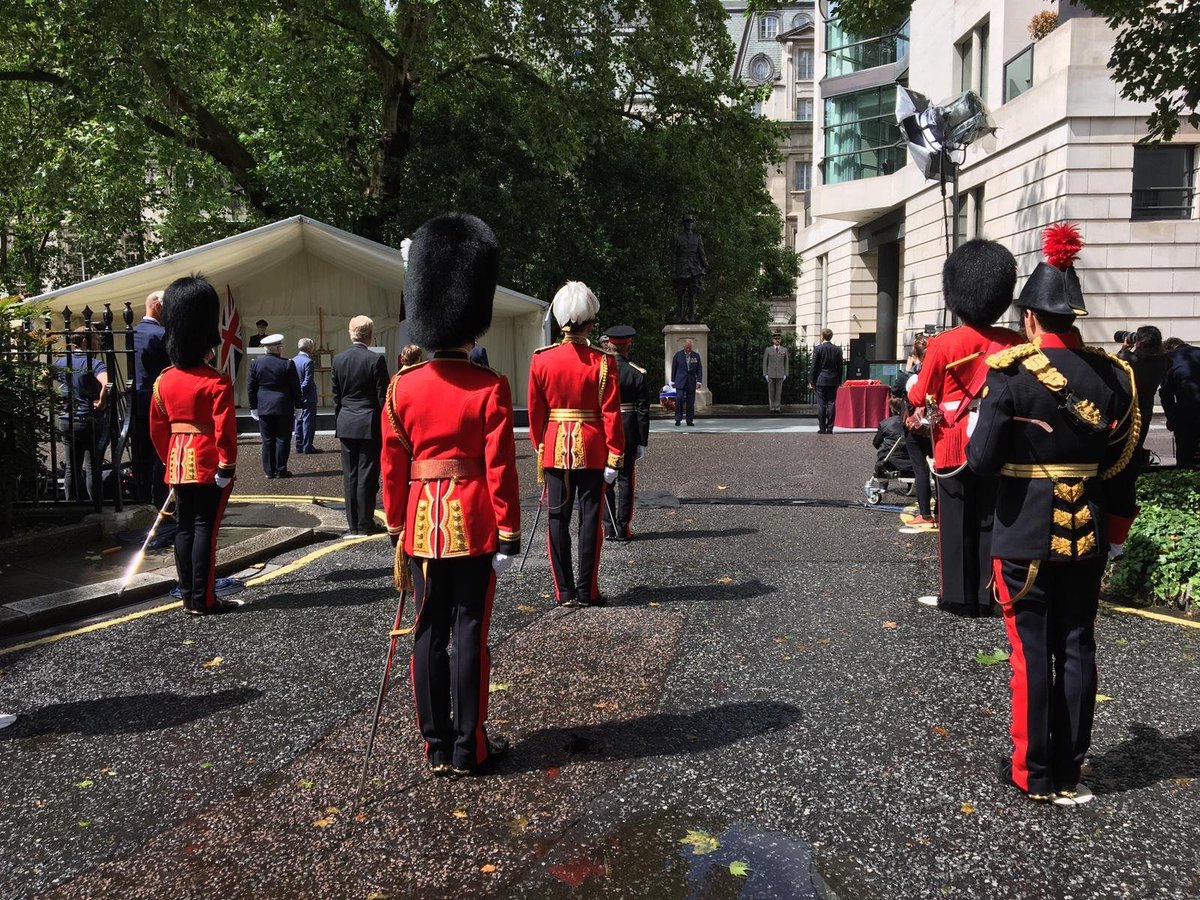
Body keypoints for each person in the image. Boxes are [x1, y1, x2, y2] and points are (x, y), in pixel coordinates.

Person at [967, 223, 1140, 805]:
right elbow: (1123, 470)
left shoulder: (1012, 373)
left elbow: (981, 459)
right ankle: (1070, 765)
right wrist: (1115, 533)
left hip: (1023, 534)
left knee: (1029, 651)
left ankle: (1031, 771)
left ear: (1032, 319)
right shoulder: (1116, 378)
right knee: (1078, 645)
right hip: (1088, 531)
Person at [380, 213, 521, 777]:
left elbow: (393, 466)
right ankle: (470, 746)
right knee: (470, 636)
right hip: (477, 524)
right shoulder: (489, 388)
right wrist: (508, 531)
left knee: (427, 632)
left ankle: (434, 746)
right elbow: (499, 468)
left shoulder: (401, 387)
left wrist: (396, 525)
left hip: (419, 527)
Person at [908, 239, 1022, 617]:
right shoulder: (1014, 342)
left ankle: (958, 598)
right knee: (991, 517)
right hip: (997, 438)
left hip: (954, 441)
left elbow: (920, 394)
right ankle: (990, 595)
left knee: (955, 522)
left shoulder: (944, 344)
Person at [528, 281, 624, 607]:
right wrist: (615, 456)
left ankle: (564, 591)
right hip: (594, 448)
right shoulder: (602, 361)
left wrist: (540, 445)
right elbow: (610, 413)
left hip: (554, 446)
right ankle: (587, 590)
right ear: (588, 323)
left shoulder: (542, 359)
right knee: (590, 520)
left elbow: (535, 413)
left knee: (557, 519)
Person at [150, 275, 240, 616]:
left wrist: (170, 459)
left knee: (184, 527)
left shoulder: (164, 380)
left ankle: (188, 595)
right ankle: (205, 599)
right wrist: (226, 465)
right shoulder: (216, 381)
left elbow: (158, 429)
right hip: (207, 462)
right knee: (206, 528)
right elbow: (225, 430)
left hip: (176, 461)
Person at [332, 315, 390, 536]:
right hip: (368, 421)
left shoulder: (338, 360)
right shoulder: (375, 360)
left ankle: (353, 523)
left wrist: (341, 419)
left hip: (346, 420)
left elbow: (336, 397)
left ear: (350, 333)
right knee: (367, 474)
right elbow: (383, 397)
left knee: (350, 474)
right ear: (370, 335)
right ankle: (365, 522)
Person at [604, 325, 650, 541]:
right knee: (625, 480)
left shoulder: (600, 370)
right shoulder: (636, 373)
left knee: (604, 481)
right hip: (628, 429)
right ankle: (623, 528)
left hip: (604, 429)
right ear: (627, 347)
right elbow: (642, 411)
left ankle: (608, 527)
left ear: (609, 345)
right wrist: (642, 440)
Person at [53, 327, 109, 502]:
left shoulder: (62, 363)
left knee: (71, 467)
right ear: (85, 341)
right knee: (92, 465)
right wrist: (101, 402)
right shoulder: (94, 364)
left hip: (67, 419)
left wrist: (56, 399)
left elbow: (42, 379)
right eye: (96, 339)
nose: (99, 342)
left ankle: (71, 505)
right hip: (88, 419)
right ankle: (96, 505)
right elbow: (107, 384)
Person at [131, 290, 170, 505]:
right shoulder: (161, 334)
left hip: (134, 400)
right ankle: (160, 499)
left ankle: (141, 495)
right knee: (160, 453)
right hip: (157, 399)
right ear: (158, 306)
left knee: (140, 452)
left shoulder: (132, 332)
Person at [248, 333, 302, 479]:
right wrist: (299, 405)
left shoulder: (255, 364)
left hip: (264, 406)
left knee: (267, 440)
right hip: (283, 405)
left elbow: (251, 388)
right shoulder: (287, 363)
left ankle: (269, 471)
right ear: (277, 348)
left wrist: (253, 407)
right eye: (281, 346)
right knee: (283, 439)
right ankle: (281, 469)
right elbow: (295, 387)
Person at [1117, 325, 1169, 469]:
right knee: (1136, 450)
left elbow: (1114, 370)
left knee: (1120, 453)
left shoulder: (1127, 358)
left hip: (1126, 410)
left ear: (1139, 342)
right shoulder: (1163, 360)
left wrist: (1124, 348)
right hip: (1145, 410)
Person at [897, 334, 935, 526]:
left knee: (921, 471)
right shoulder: (940, 373)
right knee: (938, 470)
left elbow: (898, 389)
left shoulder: (912, 376)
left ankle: (925, 515)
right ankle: (942, 511)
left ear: (917, 355)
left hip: (916, 427)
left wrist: (909, 367)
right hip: (936, 427)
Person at [1159, 338, 1200, 469]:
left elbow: (1166, 394)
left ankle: (1184, 476)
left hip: (1187, 410)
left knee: (1185, 457)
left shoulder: (1169, 359)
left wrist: (1171, 418)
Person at [672, 214, 708, 322]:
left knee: (692, 293)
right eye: (687, 222)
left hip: (694, 268)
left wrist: (706, 265)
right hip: (682, 268)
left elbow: (701, 253)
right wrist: (673, 271)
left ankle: (691, 316)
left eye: (690, 222)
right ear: (683, 224)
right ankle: (679, 316)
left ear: (693, 223)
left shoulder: (697, 237)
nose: (689, 224)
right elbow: (674, 255)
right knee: (680, 293)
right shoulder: (678, 238)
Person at [809, 328, 843, 434]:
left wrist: (811, 380)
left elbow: (814, 366)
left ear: (822, 336)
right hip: (833, 380)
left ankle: (822, 428)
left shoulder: (818, 348)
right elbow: (840, 367)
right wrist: (840, 380)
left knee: (821, 404)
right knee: (831, 403)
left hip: (821, 379)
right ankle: (830, 428)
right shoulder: (837, 349)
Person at [293, 338, 320, 454]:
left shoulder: (293, 360)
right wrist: (301, 392)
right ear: (309, 348)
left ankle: (298, 445)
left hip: (296, 395)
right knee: (308, 420)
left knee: (298, 419)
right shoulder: (308, 361)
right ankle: (307, 446)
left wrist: (296, 393)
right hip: (308, 395)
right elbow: (308, 381)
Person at [671, 339, 703, 427]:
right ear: (684, 346)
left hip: (691, 381)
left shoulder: (696, 356)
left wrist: (699, 381)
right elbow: (674, 368)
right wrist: (672, 381)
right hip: (680, 381)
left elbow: (699, 369)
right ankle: (678, 419)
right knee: (679, 399)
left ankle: (689, 420)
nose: (688, 349)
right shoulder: (678, 355)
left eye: (690, 347)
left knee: (690, 402)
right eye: (687, 347)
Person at [763, 333, 789, 413]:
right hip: (770, 373)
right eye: (775, 339)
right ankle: (771, 407)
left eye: (778, 339)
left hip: (780, 373)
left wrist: (786, 374)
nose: (777, 340)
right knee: (771, 391)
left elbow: (786, 362)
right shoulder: (768, 349)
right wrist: (765, 374)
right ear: (772, 340)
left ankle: (777, 408)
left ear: (780, 340)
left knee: (778, 392)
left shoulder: (784, 350)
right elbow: (765, 362)